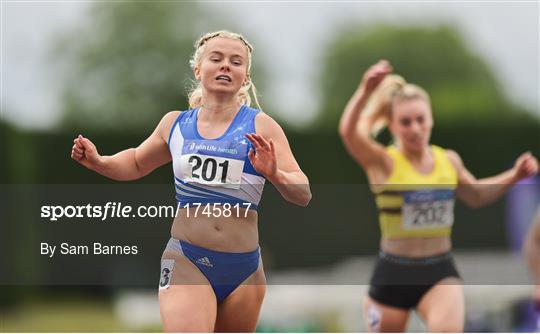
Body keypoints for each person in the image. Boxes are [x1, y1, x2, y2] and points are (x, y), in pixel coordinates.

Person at [71, 30, 311, 332]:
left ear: (246, 77)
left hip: (245, 271)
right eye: (217, 58)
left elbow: (303, 193)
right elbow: (134, 162)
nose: (226, 66)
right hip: (188, 259)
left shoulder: (261, 126)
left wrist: (275, 174)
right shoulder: (175, 124)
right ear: (198, 69)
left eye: (236, 62)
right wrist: (99, 161)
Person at [338, 59, 538, 332]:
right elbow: (349, 133)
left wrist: (513, 176)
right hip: (393, 273)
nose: (415, 128)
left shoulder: (448, 161)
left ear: (431, 120)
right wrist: (364, 90)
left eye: (421, 119)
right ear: (393, 126)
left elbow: (475, 195)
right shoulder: (384, 163)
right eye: (406, 122)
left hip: (438, 271)